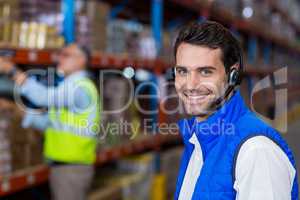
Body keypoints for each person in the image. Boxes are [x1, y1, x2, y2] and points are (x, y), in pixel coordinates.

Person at [173, 21, 298, 200]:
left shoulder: (256, 151)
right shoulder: (198, 141)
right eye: (182, 71)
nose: (191, 85)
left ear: (232, 75)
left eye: (205, 72)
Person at [0, 44, 100, 200]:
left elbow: (43, 97)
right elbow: (49, 123)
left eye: (66, 55)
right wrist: (13, 108)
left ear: (81, 60)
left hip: (71, 168)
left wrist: (11, 70)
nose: (60, 58)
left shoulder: (81, 88)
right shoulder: (69, 86)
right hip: (64, 166)